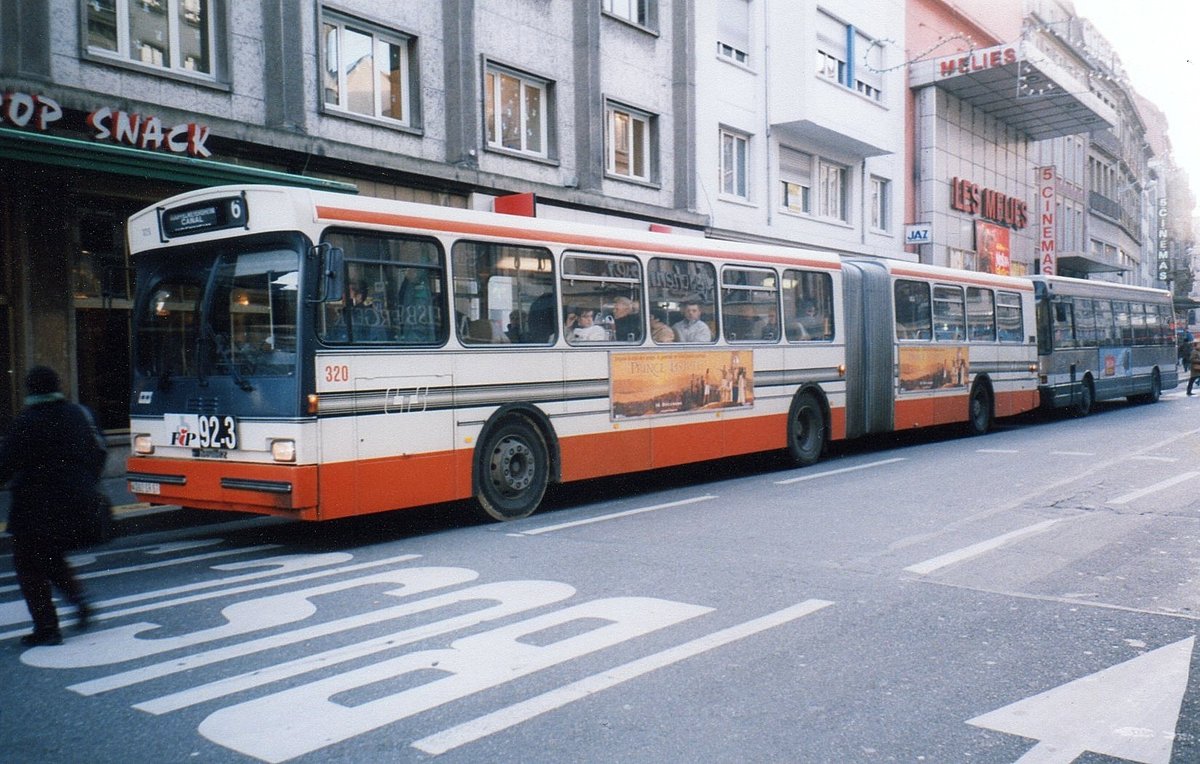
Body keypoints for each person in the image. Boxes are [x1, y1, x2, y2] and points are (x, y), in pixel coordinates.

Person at [0, 366, 103, 646]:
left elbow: (4, 466)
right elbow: (96, 453)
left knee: (28, 568)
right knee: (51, 558)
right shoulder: (78, 415)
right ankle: (80, 602)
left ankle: (47, 627)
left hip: (34, 509)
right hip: (74, 502)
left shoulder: (25, 422)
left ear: (31, 390)